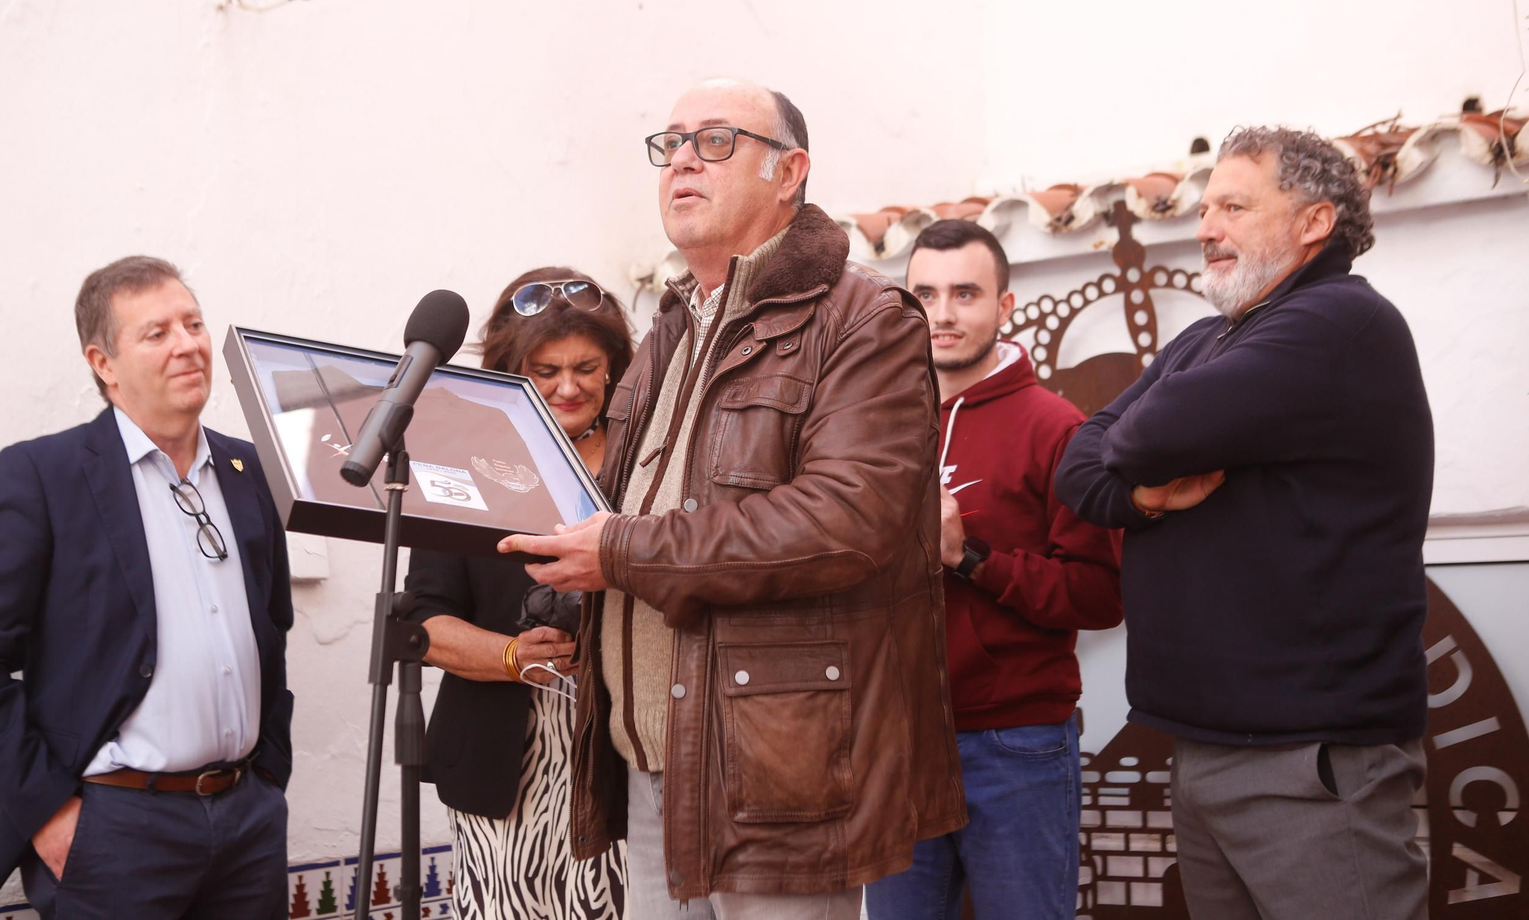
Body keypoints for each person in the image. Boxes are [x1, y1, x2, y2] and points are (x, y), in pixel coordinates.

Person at [498, 79, 966, 919]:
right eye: (671, 142)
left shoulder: (864, 318)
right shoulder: (671, 326)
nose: (682, 159)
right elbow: (634, 504)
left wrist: (619, 551)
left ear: (790, 172)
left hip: (774, 770)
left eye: (715, 141)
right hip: (646, 758)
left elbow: (843, 522)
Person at [1054, 127, 1433, 920]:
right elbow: (1078, 467)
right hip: (1204, 749)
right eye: (1203, 208)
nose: (1204, 228)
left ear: (1314, 221)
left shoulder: (1339, 323)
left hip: (1309, 763)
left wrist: (1137, 433)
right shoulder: (1204, 338)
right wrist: (1148, 498)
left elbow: (1143, 434)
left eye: (1233, 205)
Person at [0, 256, 294, 919]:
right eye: (156, 333)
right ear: (104, 363)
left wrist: (270, 772)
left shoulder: (249, 471)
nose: (188, 344)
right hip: (116, 832)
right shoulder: (46, 475)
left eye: (194, 323)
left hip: (248, 824)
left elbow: (273, 628)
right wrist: (51, 813)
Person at [867, 220, 1121, 920]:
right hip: (898, 739)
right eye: (925, 293)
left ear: (1004, 306)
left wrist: (966, 557)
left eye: (966, 293)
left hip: (1016, 743)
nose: (943, 314)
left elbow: (1099, 595)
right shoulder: (874, 425)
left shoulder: (1057, 427)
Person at [403, 267, 633, 920]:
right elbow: (423, 618)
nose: (568, 387)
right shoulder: (462, 463)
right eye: (546, 370)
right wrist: (511, 656)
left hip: (624, 765)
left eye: (586, 366)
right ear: (511, 370)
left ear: (614, 365)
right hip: (503, 770)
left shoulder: (648, 461)